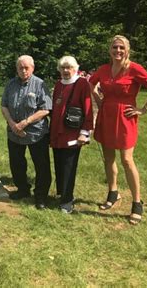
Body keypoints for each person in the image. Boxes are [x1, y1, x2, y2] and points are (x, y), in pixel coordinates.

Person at [89, 35, 147, 225]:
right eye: (115, 47)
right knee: (108, 158)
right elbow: (91, 83)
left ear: (127, 50)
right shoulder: (104, 69)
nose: (118, 51)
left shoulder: (134, 69)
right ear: (110, 49)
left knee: (127, 160)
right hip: (107, 116)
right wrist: (99, 101)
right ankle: (113, 193)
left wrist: (143, 109)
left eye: (121, 48)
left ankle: (137, 203)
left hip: (125, 118)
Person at [1, 55, 52, 209]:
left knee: (41, 166)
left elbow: (45, 109)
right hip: (14, 133)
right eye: (20, 68)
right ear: (16, 69)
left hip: (36, 133)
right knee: (17, 163)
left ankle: (41, 196)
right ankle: (22, 189)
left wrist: (25, 123)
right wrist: (12, 123)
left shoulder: (40, 85)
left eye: (26, 68)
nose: (23, 70)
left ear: (32, 68)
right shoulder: (10, 85)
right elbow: (4, 105)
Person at [50, 56, 94, 213]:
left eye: (69, 67)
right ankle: (61, 193)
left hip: (72, 134)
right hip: (56, 133)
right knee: (59, 164)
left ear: (76, 68)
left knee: (69, 166)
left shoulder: (82, 84)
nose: (66, 71)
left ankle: (67, 200)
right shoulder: (58, 84)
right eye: (63, 68)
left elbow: (88, 109)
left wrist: (85, 133)